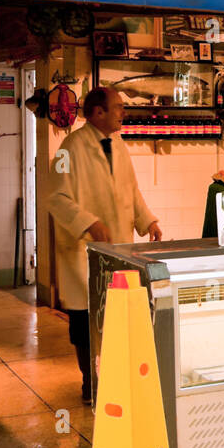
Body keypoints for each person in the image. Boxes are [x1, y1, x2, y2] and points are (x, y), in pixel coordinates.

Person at [47, 87, 162, 403]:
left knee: (115, 317)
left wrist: (148, 221)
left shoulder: (119, 146)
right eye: (118, 108)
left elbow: (131, 190)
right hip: (83, 250)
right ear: (98, 113)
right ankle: (90, 383)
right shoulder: (69, 150)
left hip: (117, 248)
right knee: (86, 320)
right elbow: (55, 197)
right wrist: (88, 222)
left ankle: (113, 378)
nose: (122, 113)